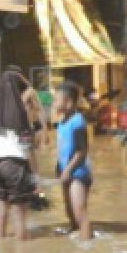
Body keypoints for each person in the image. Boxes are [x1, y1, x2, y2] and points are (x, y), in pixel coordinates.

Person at [0, 71, 36, 239]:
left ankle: (0, 250)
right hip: (14, 165)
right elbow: (27, 145)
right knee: (19, 213)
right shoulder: (19, 112)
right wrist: (35, 173)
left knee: (0, 212)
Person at [54, 81, 93, 241]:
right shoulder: (62, 123)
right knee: (69, 211)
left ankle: (86, 246)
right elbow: (62, 149)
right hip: (67, 172)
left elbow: (82, 151)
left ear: (68, 102)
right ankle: (75, 238)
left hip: (78, 174)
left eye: (56, 100)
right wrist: (59, 168)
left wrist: (68, 170)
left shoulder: (77, 121)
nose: (54, 103)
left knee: (79, 211)